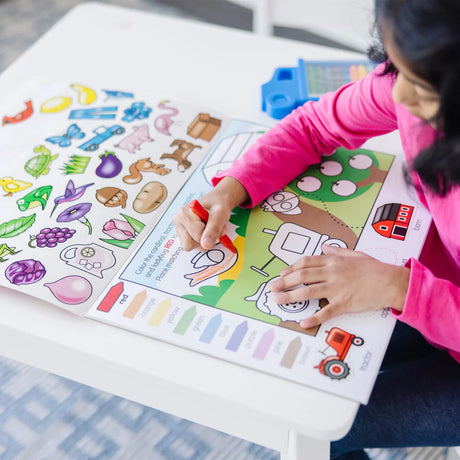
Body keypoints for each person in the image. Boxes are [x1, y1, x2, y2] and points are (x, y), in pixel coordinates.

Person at [173, 0, 460, 458]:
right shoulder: (413, 80)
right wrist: (234, 187)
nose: (399, 96)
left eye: (423, 86)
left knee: (318, 430)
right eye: (396, 65)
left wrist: (401, 288)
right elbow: (314, 125)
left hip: (431, 307)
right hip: (429, 293)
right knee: (288, 388)